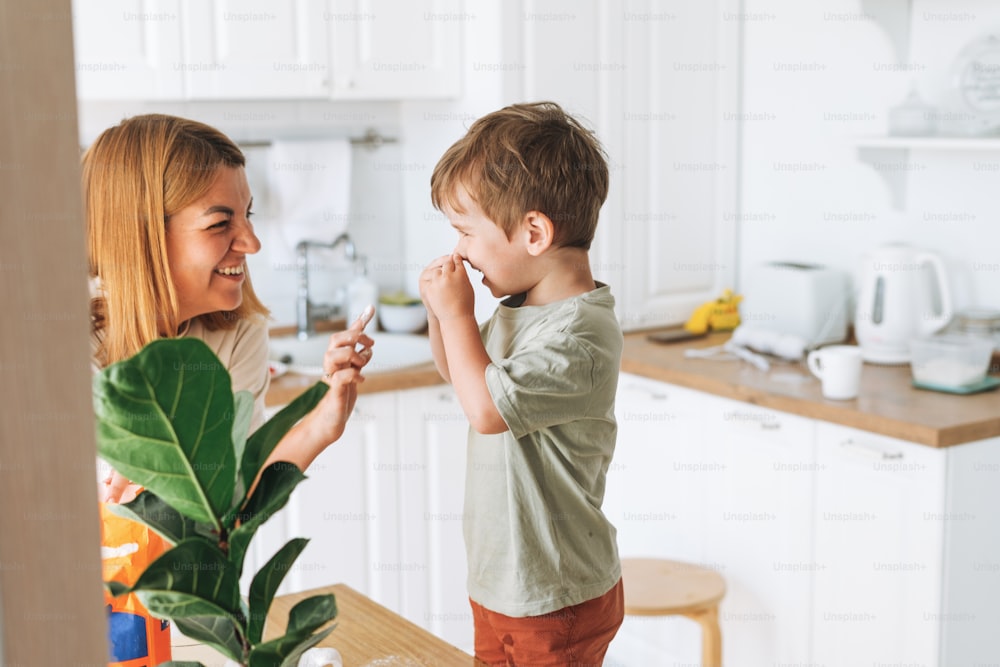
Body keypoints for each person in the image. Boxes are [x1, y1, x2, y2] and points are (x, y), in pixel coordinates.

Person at [419, 101, 624, 666]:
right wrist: (440, 316)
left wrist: (459, 315)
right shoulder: (520, 309)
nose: (459, 247)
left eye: (466, 231)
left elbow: (486, 410)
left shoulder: (579, 337)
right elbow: (462, 378)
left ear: (534, 231)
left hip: (556, 593)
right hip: (504, 581)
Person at [84, 114, 373, 503]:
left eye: (247, 214)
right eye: (220, 223)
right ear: (143, 237)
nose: (252, 243)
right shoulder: (67, 344)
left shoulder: (239, 334)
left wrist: (320, 426)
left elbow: (234, 502)